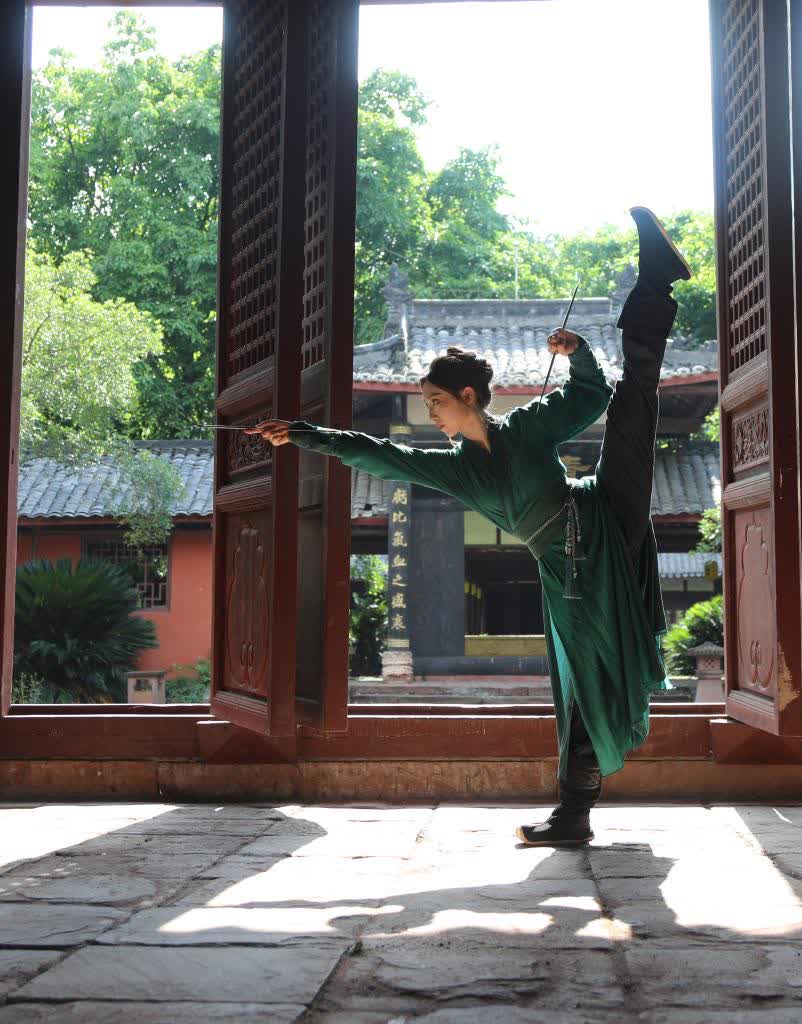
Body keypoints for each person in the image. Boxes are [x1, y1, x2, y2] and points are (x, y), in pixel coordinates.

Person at [248, 207, 692, 847]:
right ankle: (574, 814)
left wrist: (578, 354)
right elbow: (381, 455)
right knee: (578, 682)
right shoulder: (455, 470)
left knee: (633, 406)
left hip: (602, 510)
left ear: (468, 397)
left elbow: (591, 398)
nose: (431, 414)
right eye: (425, 404)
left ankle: (656, 281)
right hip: (569, 571)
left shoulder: (526, 428)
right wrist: (303, 433)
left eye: (436, 402)